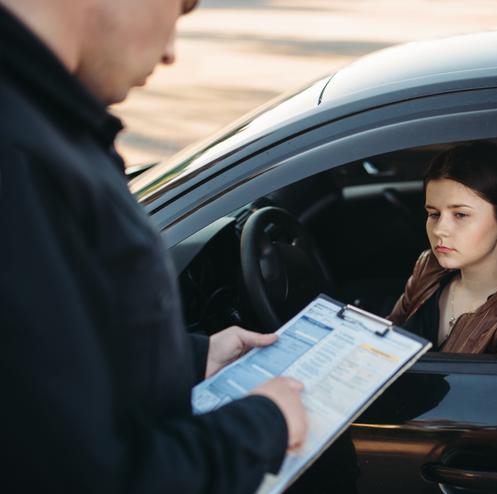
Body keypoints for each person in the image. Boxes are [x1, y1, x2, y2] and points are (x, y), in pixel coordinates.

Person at [0, 1, 307, 492]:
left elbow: (60, 356)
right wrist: (263, 427)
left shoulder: (44, 126)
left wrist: (194, 357)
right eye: (182, 6)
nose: (169, 52)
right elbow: (79, 475)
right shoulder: (19, 155)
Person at [388, 142, 497, 356]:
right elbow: (385, 338)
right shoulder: (429, 267)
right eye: (434, 214)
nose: (440, 230)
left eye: (460, 214)